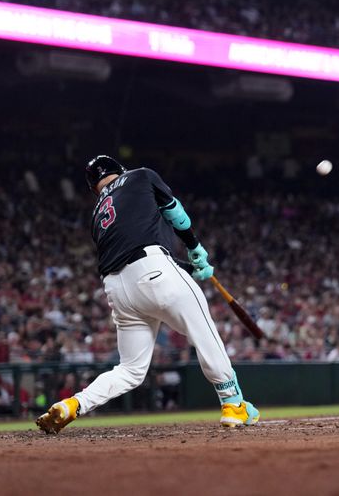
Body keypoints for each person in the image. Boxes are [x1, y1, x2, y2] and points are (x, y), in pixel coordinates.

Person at [36, 155, 259, 433]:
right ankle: (233, 403)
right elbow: (175, 212)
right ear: (120, 170)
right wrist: (194, 246)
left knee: (129, 370)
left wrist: (191, 269)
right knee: (205, 335)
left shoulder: (97, 215)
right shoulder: (140, 175)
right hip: (155, 271)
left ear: (94, 187)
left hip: (118, 289)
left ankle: (73, 404)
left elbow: (136, 255)